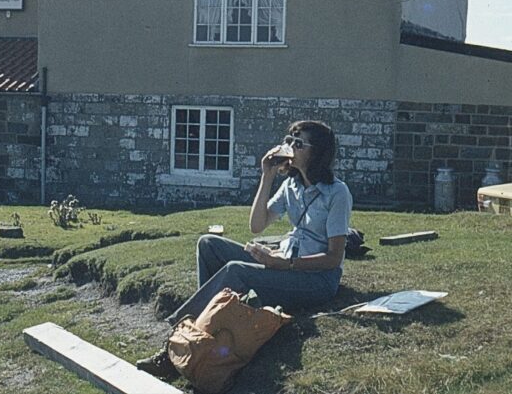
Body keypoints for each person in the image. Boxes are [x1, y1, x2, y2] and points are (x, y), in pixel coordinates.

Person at [137, 120, 353, 378]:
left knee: (236, 271)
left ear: (317, 152)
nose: (290, 147)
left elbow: (334, 258)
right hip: (285, 263)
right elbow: (256, 225)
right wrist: (267, 175)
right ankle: (208, 327)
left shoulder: (337, 193)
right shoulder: (291, 187)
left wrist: (285, 265)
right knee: (208, 244)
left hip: (316, 279)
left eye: (298, 143)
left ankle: (179, 339)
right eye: (289, 140)